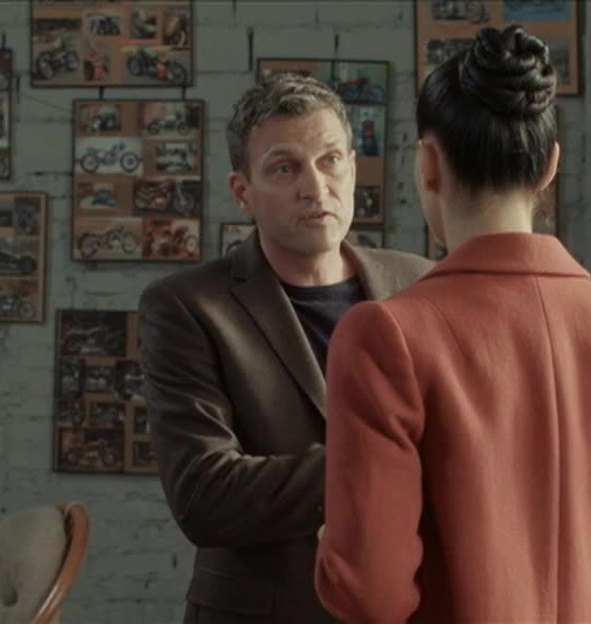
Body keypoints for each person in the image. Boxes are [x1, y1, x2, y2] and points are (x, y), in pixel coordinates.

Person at [315, 25, 591, 623]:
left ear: (427, 164)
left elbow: (371, 592)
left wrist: (333, 550)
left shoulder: (386, 336)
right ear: (550, 167)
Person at [138, 73, 434, 623]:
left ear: (353, 167)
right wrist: (376, 465)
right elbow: (204, 495)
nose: (315, 188)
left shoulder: (420, 283)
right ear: (242, 192)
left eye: (330, 161)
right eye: (284, 168)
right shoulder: (187, 307)